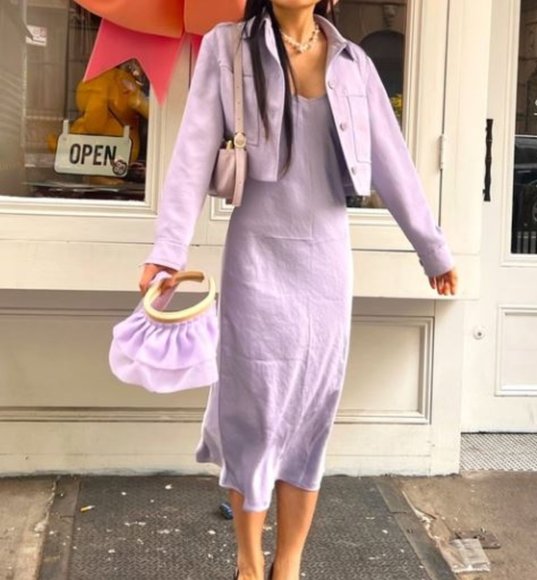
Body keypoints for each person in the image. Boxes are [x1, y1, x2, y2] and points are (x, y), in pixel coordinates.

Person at [139, 1, 459, 579]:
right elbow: (191, 151)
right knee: (254, 412)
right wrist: (167, 251)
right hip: (255, 254)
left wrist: (431, 249)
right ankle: (248, 561)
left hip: (325, 262)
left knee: (312, 413)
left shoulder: (353, 62)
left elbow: (393, 162)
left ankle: (287, 564)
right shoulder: (228, 47)